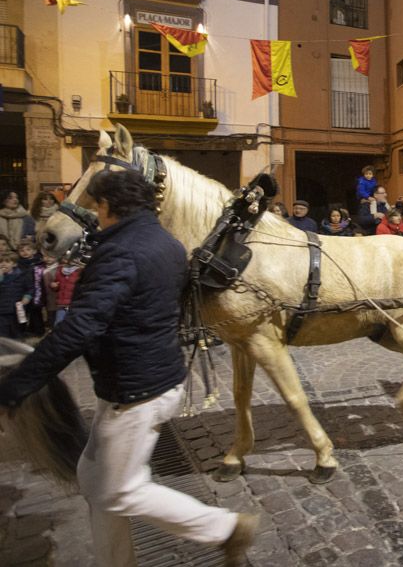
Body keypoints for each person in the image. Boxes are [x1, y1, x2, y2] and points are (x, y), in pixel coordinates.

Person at [0, 169, 258, 566]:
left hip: (137, 391)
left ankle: (223, 528)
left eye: (94, 205)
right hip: (139, 381)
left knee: (118, 491)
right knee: (93, 480)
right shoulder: (165, 243)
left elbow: (82, 325)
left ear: (104, 206)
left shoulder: (121, 251)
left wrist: (19, 385)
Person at [17, 238, 46, 336]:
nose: (25, 252)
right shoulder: (18, 264)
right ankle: (21, 330)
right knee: (22, 312)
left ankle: (38, 331)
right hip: (23, 292)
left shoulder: (39, 263)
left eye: (28, 250)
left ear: (34, 251)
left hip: (37, 292)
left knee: (36, 313)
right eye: (22, 250)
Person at [0, 251, 31, 338]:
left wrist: (27, 297)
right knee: (3, 332)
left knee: (16, 331)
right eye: (1, 262)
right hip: (2, 311)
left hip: (16, 309)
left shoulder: (21, 276)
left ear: (14, 264)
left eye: (7, 262)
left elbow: (29, 288)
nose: (3, 264)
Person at [50, 254, 83, 327]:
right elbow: (57, 285)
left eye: (74, 258)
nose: (70, 260)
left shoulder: (80, 271)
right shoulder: (60, 270)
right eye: (67, 258)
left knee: (73, 325)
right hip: (61, 304)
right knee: (58, 323)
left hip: (74, 304)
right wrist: (54, 286)